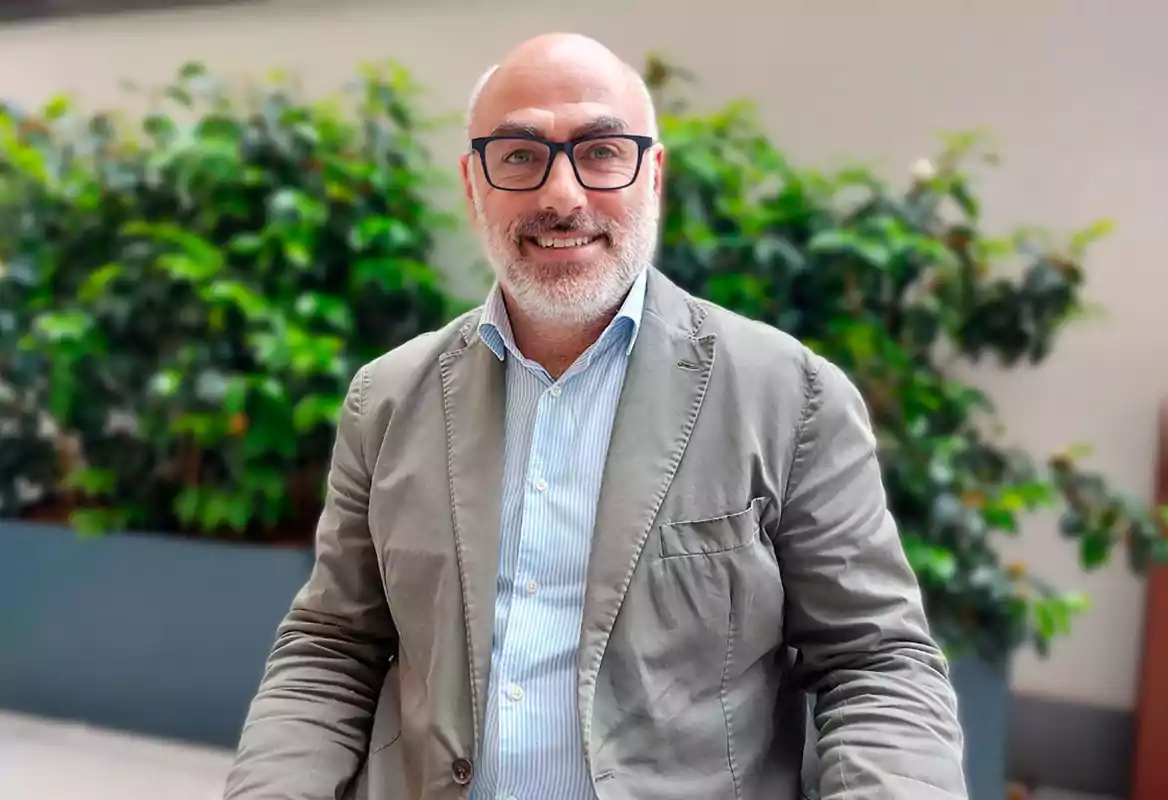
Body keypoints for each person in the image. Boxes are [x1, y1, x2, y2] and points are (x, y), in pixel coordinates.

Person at [224, 32, 967, 800]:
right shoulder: (386, 400)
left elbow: (877, 665)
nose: (562, 195)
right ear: (472, 184)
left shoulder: (789, 397)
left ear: (653, 174)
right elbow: (332, 649)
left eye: (602, 150)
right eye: (518, 154)